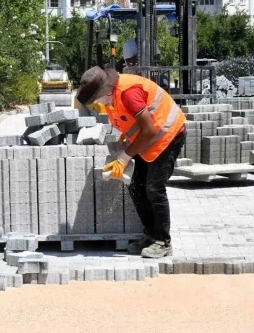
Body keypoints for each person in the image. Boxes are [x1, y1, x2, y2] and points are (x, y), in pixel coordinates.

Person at [76, 66, 185, 258]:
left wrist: (125, 156)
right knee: (135, 184)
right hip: (149, 136)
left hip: (168, 134)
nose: (96, 105)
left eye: (95, 100)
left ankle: (163, 241)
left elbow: (150, 130)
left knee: (154, 188)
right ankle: (150, 234)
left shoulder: (128, 93)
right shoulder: (112, 98)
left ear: (105, 90)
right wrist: (127, 138)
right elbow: (134, 123)